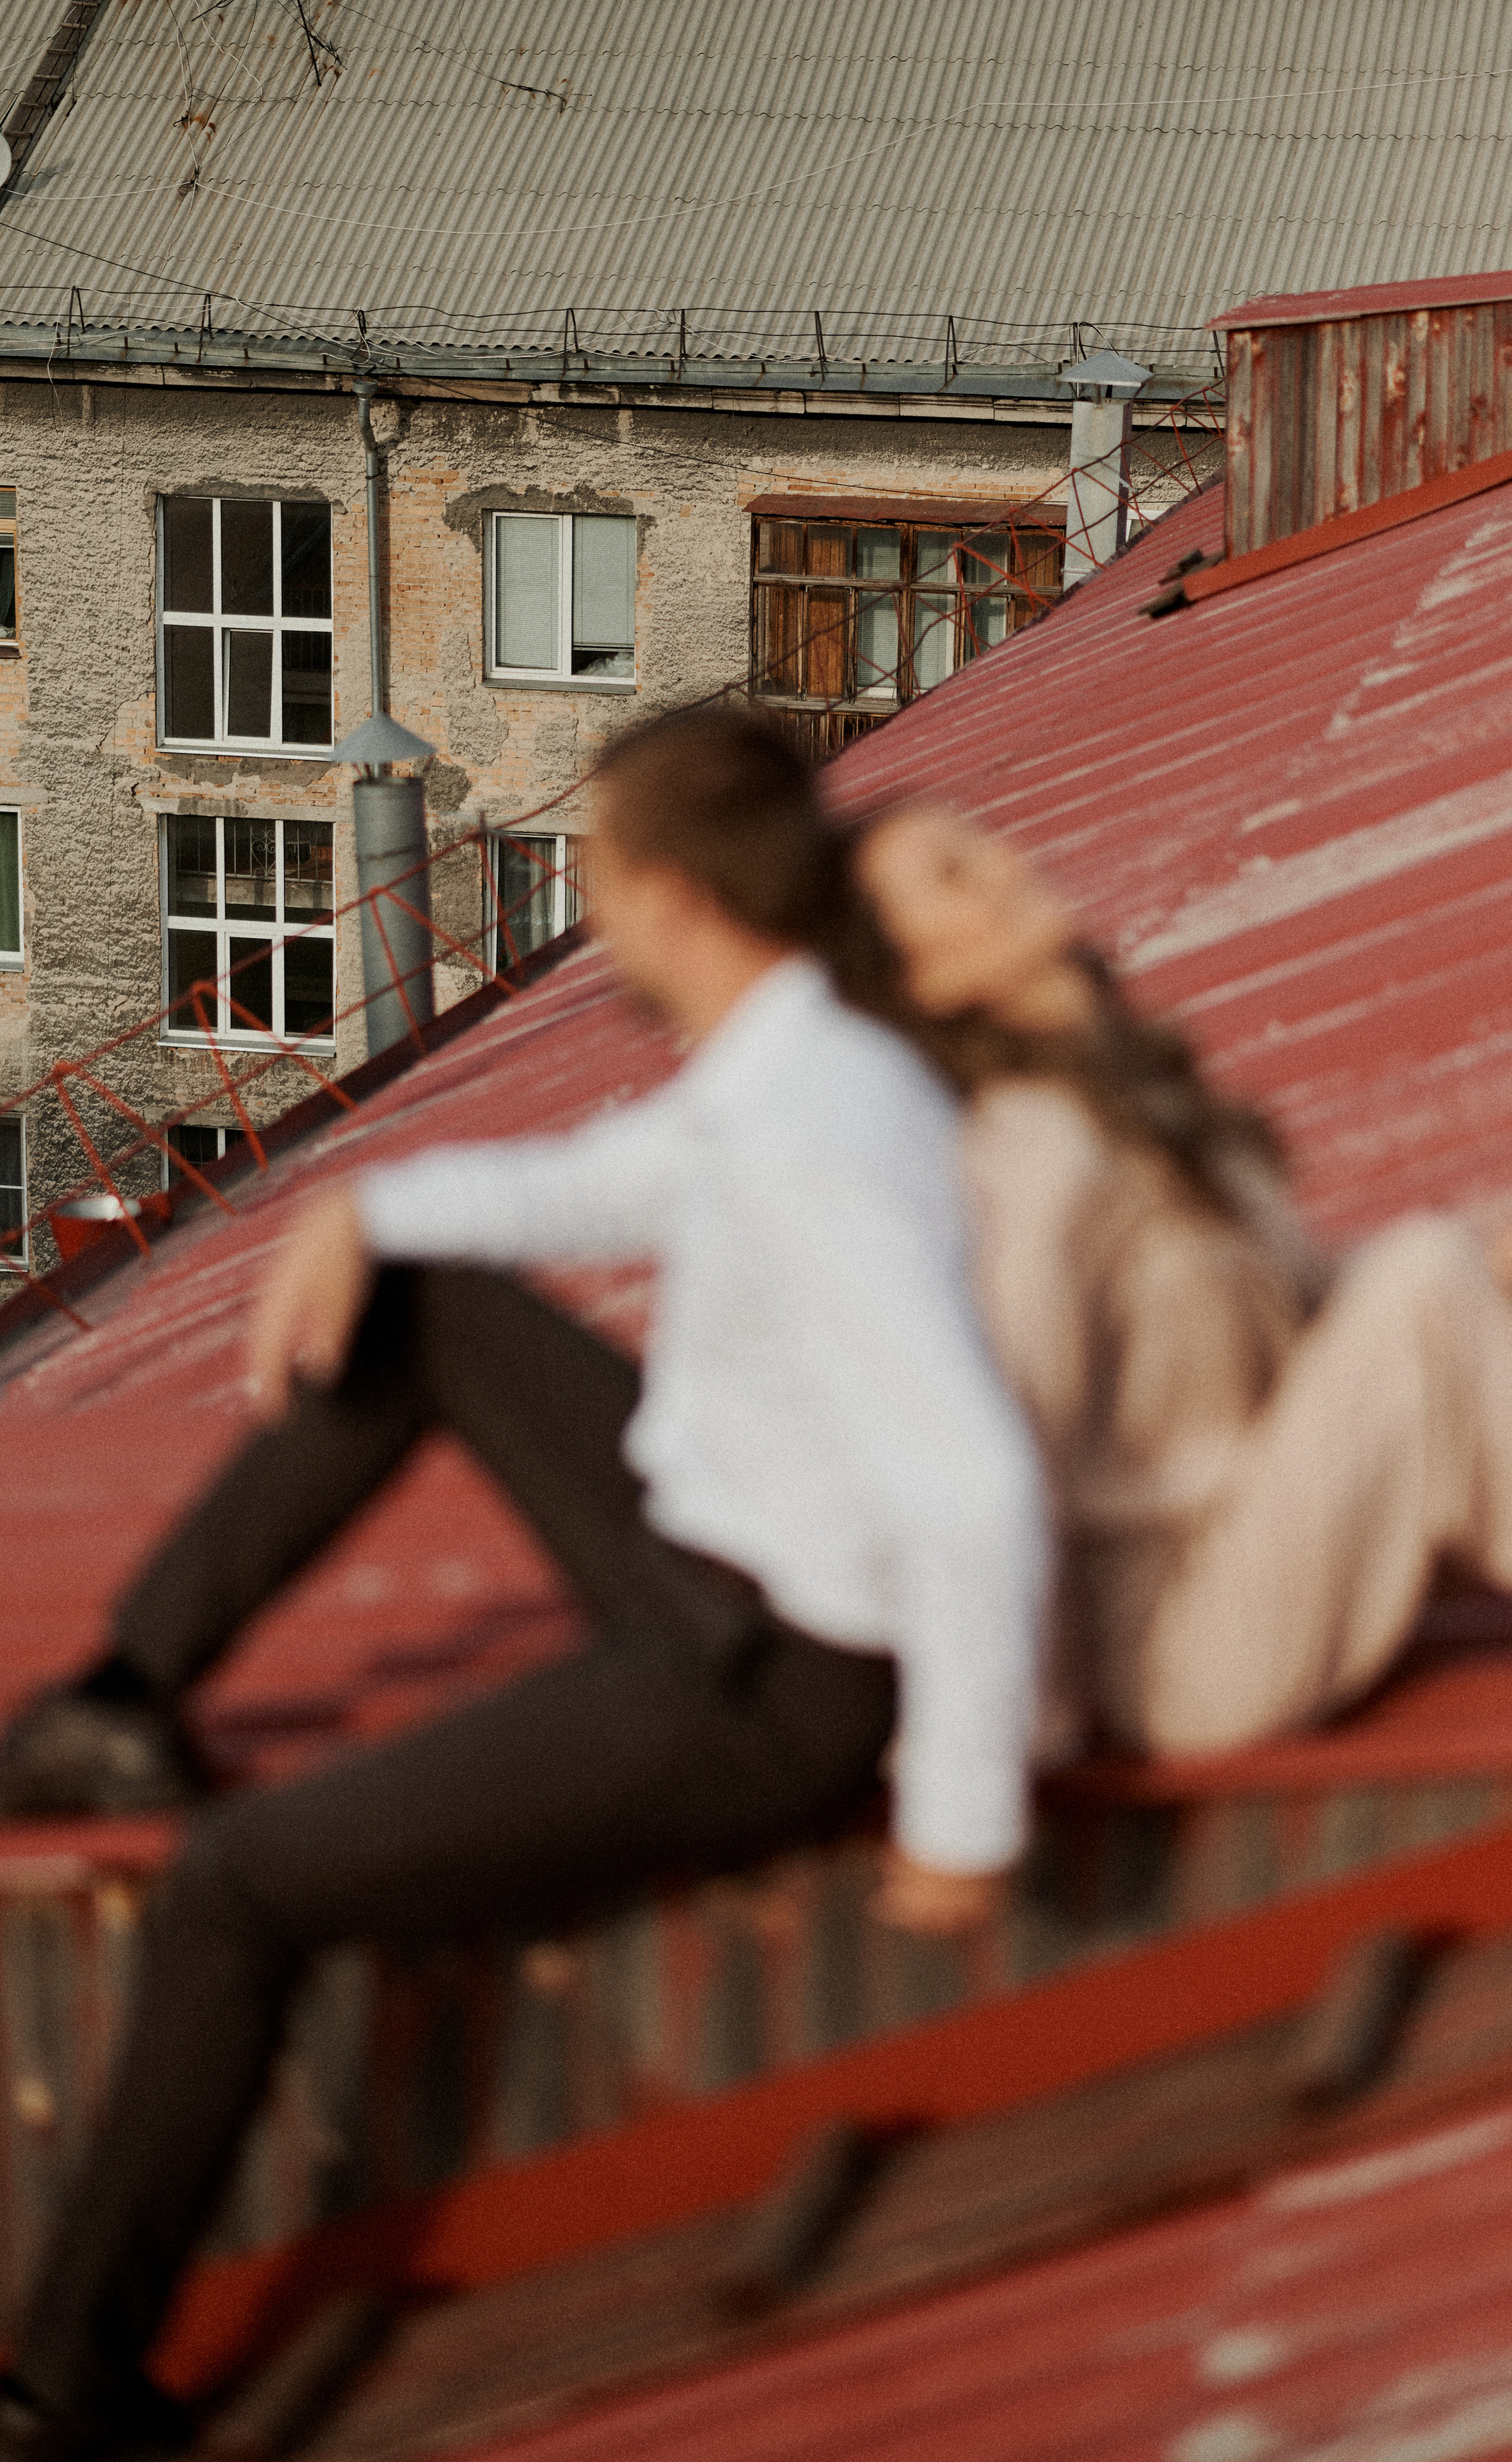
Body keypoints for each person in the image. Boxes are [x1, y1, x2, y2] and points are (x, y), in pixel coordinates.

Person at [0, 714, 1048, 2462]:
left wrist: (959, 1808)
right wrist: (375, 1207)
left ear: (667, 891)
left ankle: (57, 2390)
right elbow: (607, 1183)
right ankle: (122, 1702)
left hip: (769, 1679)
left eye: (606, 876)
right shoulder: (788, 1059)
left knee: (237, 1889)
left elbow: (978, 1478)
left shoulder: (825, 1121)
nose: (600, 912)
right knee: (429, 1298)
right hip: (703, 1559)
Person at [824, 798, 1512, 1761]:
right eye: (955, 874)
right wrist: (1003, 1762)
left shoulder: (1122, 1090)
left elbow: (1302, 1311)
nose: (1005, 863)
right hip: (1189, 1642)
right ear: (921, 980)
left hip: (1283, 1526)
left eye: (981, 844)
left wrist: (1491, 1262)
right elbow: (1006, 1448)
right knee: (1428, 1277)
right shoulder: (1024, 1167)